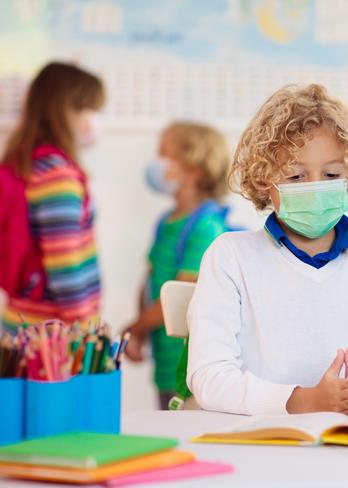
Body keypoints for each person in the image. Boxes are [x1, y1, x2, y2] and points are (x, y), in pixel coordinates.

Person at [187, 84, 348, 416]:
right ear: (265, 180)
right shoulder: (230, 257)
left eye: (331, 173)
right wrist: (300, 402)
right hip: (264, 445)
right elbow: (209, 377)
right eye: (295, 175)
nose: (316, 187)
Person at [123, 122, 233, 409]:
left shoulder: (206, 227)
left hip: (190, 368)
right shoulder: (166, 221)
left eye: (164, 154)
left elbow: (179, 297)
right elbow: (149, 282)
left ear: (195, 168)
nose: (155, 162)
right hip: (163, 361)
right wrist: (141, 331)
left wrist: (134, 327)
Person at [1, 62, 105, 330]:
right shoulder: (57, 176)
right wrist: (85, 326)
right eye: (91, 109)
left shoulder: (29, 163)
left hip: (24, 318)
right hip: (53, 330)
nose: (97, 119)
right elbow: (64, 260)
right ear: (66, 112)